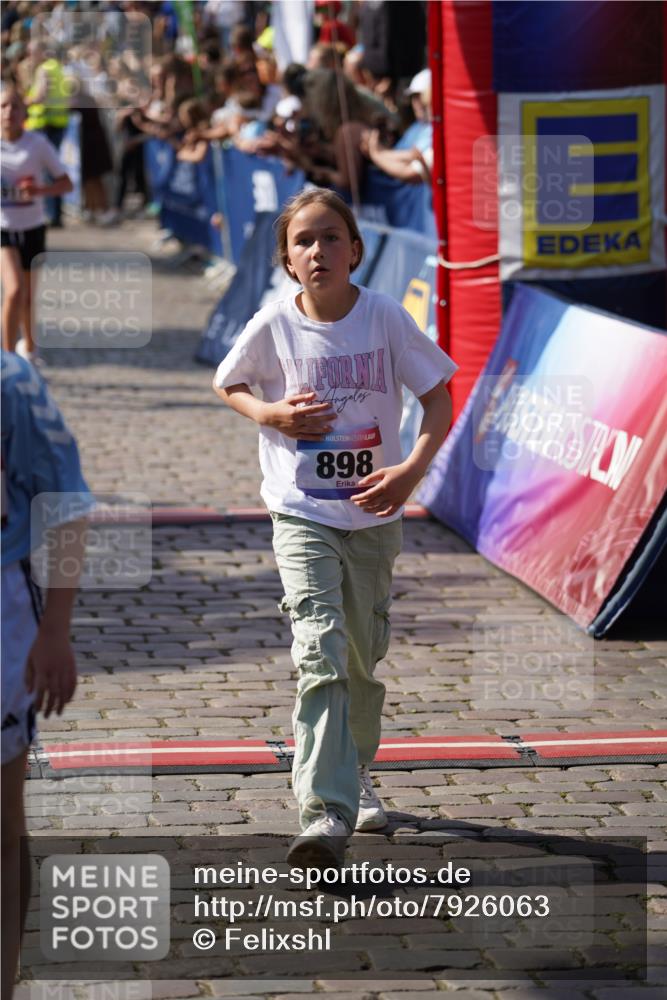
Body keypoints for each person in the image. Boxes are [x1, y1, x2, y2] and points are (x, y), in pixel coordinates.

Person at [212, 189, 457, 869]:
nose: (317, 251)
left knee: (359, 660)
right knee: (319, 646)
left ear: (355, 248)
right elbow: (228, 383)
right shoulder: (273, 325)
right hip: (301, 512)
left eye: (330, 238)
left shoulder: (383, 318)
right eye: (302, 242)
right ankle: (324, 813)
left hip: (374, 517)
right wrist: (270, 416)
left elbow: (436, 395)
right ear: (287, 260)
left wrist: (410, 470)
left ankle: (352, 772)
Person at [1, 350, 93, 999]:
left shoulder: (10, 380)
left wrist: (55, 630)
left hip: (3, 611)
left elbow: (63, 502)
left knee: (2, 829)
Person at [1, 83, 73, 361]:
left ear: (25, 112)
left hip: (32, 225)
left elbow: (66, 184)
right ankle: (6, 361)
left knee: (28, 298)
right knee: (14, 291)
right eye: (3, 106)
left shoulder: (37, 144)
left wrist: (39, 191)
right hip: (3, 227)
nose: (9, 112)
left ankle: (29, 348)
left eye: (14, 106)